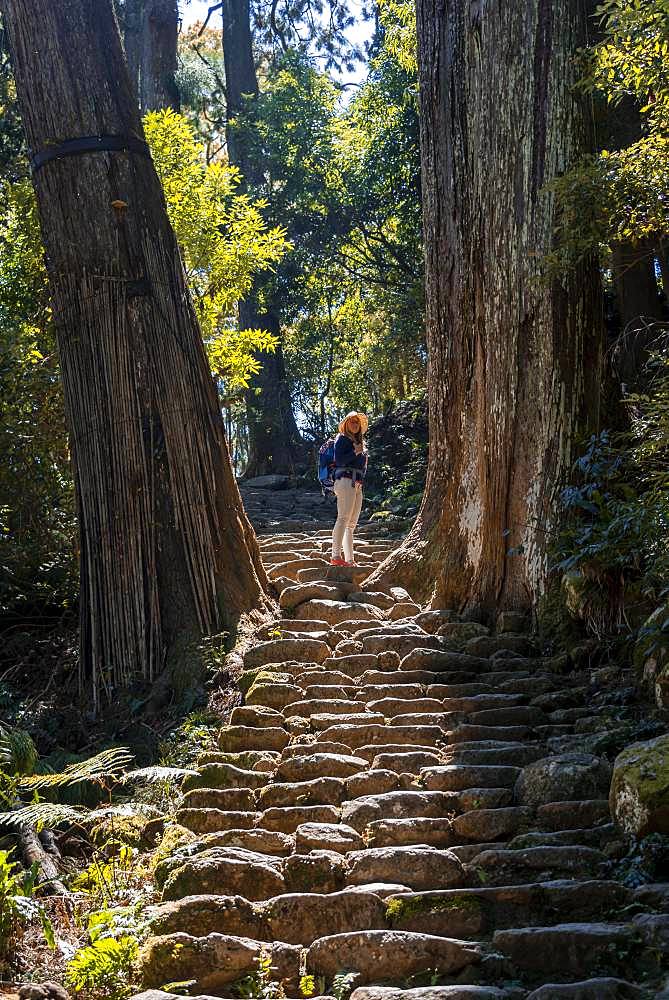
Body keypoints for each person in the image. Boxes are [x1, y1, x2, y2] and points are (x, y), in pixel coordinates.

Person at [331, 411, 368, 566]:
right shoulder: (342, 439)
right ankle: (335, 556)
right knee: (343, 518)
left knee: (351, 524)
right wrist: (356, 452)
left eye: (357, 422)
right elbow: (339, 460)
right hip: (345, 480)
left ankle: (350, 559)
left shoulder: (359, 442)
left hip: (357, 483)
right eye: (352, 421)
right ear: (346, 423)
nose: (354, 424)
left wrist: (359, 451)